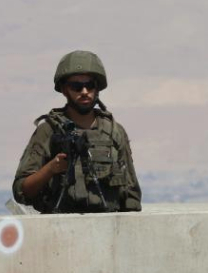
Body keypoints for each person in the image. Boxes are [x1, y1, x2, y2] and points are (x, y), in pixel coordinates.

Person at [12, 50, 142, 213]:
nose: (84, 92)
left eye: (90, 85)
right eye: (76, 86)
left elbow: (131, 195)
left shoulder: (113, 131)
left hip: (106, 228)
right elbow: (21, 190)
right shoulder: (49, 130)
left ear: (97, 88)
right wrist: (51, 169)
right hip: (60, 227)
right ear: (64, 89)